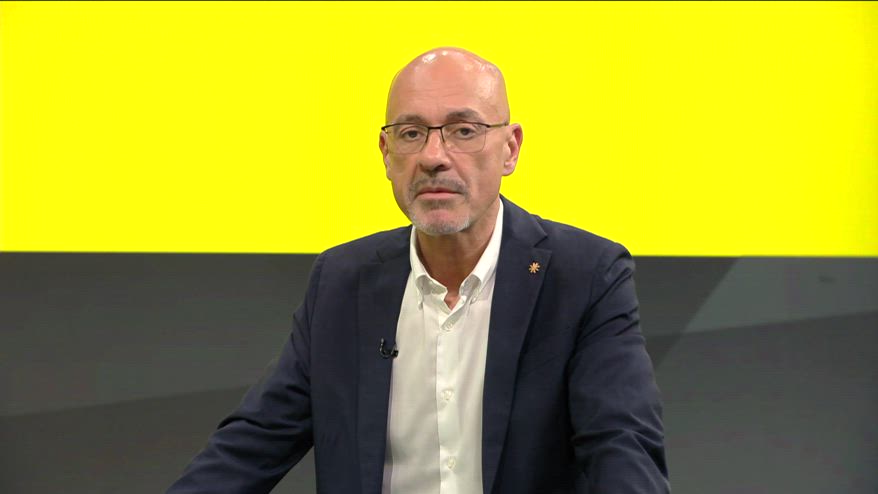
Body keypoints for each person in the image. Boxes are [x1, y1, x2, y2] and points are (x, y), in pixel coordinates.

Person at [168, 47, 668, 494]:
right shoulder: (342, 281)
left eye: (464, 131)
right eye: (410, 134)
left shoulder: (585, 276)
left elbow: (621, 447)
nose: (433, 157)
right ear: (386, 155)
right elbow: (253, 445)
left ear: (510, 148)